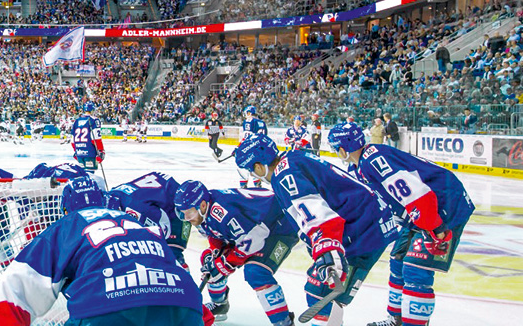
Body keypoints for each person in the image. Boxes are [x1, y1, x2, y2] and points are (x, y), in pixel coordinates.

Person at [0, 177, 208, 326]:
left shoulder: (69, 225)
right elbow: (191, 295)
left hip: (104, 306)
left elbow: (13, 290)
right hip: (182, 305)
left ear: (65, 209)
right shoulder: (139, 224)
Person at [235, 134, 399, 326]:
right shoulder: (293, 158)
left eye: (251, 170)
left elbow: (315, 211)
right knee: (329, 293)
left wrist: (328, 250)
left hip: (362, 230)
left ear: (258, 166)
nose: (253, 176)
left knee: (319, 291)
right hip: (369, 222)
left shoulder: (284, 175)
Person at [328, 123, 476, 326]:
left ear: (342, 149)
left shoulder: (373, 160)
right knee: (398, 260)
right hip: (422, 211)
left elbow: (416, 194)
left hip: (444, 205)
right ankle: (396, 320)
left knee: (415, 270)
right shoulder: (359, 166)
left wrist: (437, 229)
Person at [175, 180, 299, 325]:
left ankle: (284, 322)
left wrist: (226, 263)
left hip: (280, 225)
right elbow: (214, 234)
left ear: (202, 205)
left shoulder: (223, 212)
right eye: (182, 214)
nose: (186, 219)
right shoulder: (204, 210)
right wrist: (216, 253)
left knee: (256, 272)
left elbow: (254, 240)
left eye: (188, 213)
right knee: (210, 262)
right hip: (253, 228)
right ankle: (220, 304)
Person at [108, 172, 188, 266]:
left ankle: (184, 275)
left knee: (171, 255)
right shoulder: (113, 195)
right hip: (155, 195)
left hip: (178, 205)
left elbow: (162, 230)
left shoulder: (134, 209)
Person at [70, 102, 104, 175]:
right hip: (90, 152)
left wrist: (76, 151)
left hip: (79, 152)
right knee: (90, 175)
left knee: (82, 175)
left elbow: (72, 140)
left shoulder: (77, 121)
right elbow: (96, 138)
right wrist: (101, 151)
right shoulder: (94, 120)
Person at [239, 105, 268, 188]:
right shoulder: (262, 123)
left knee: (243, 165)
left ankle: (243, 185)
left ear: (249, 113)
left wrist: (238, 148)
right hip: (260, 149)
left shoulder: (248, 121)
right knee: (256, 166)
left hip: (250, 148)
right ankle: (258, 184)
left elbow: (246, 138)